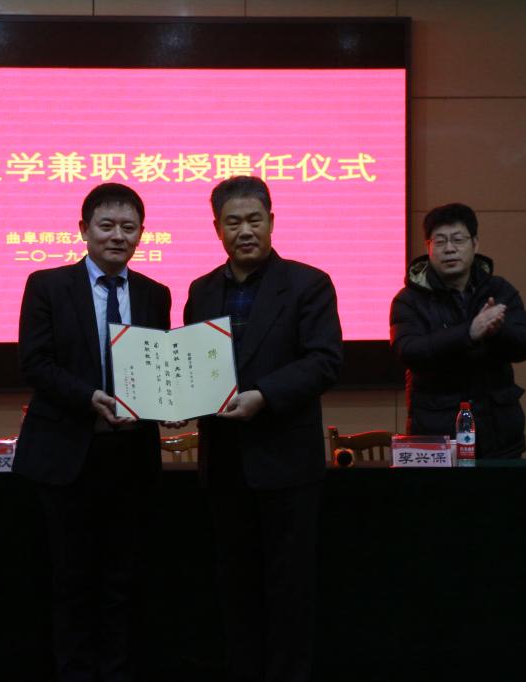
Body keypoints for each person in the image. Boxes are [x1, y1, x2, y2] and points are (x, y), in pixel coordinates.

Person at [183, 175, 342, 682]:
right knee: (235, 588)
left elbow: (324, 362)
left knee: (289, 590)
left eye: (255, 220)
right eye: (233, 222)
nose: (245, 231)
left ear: (272, 221)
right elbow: (190, 365)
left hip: (286, 465)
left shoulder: (308, 284)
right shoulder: (201, 290)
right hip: (225, 465)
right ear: (217, 228)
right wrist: (176, 399)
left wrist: (264, 396)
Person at [12, 183, 172, 682]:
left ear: (142, 234)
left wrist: (170, 403)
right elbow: (35, 362)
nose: (118, 236)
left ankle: (116, 672)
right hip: (66, 456)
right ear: (83, 230)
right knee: (70, 580)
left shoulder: (155, 294)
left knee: (121, 581)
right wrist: (89, 398)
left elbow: (159, 367)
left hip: (131, 459)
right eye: (106, 226)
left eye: (129, 227)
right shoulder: (47, 285)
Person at [390, 202, 526, 458]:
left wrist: (498, 330)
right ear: (428, 247)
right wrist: (468, 333)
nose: (449, 248)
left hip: (498, 431)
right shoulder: (409, 300)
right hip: (436, 435)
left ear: (475, 244)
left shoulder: (498, 289)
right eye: (440, 241)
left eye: (458, 240)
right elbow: (408, 351)